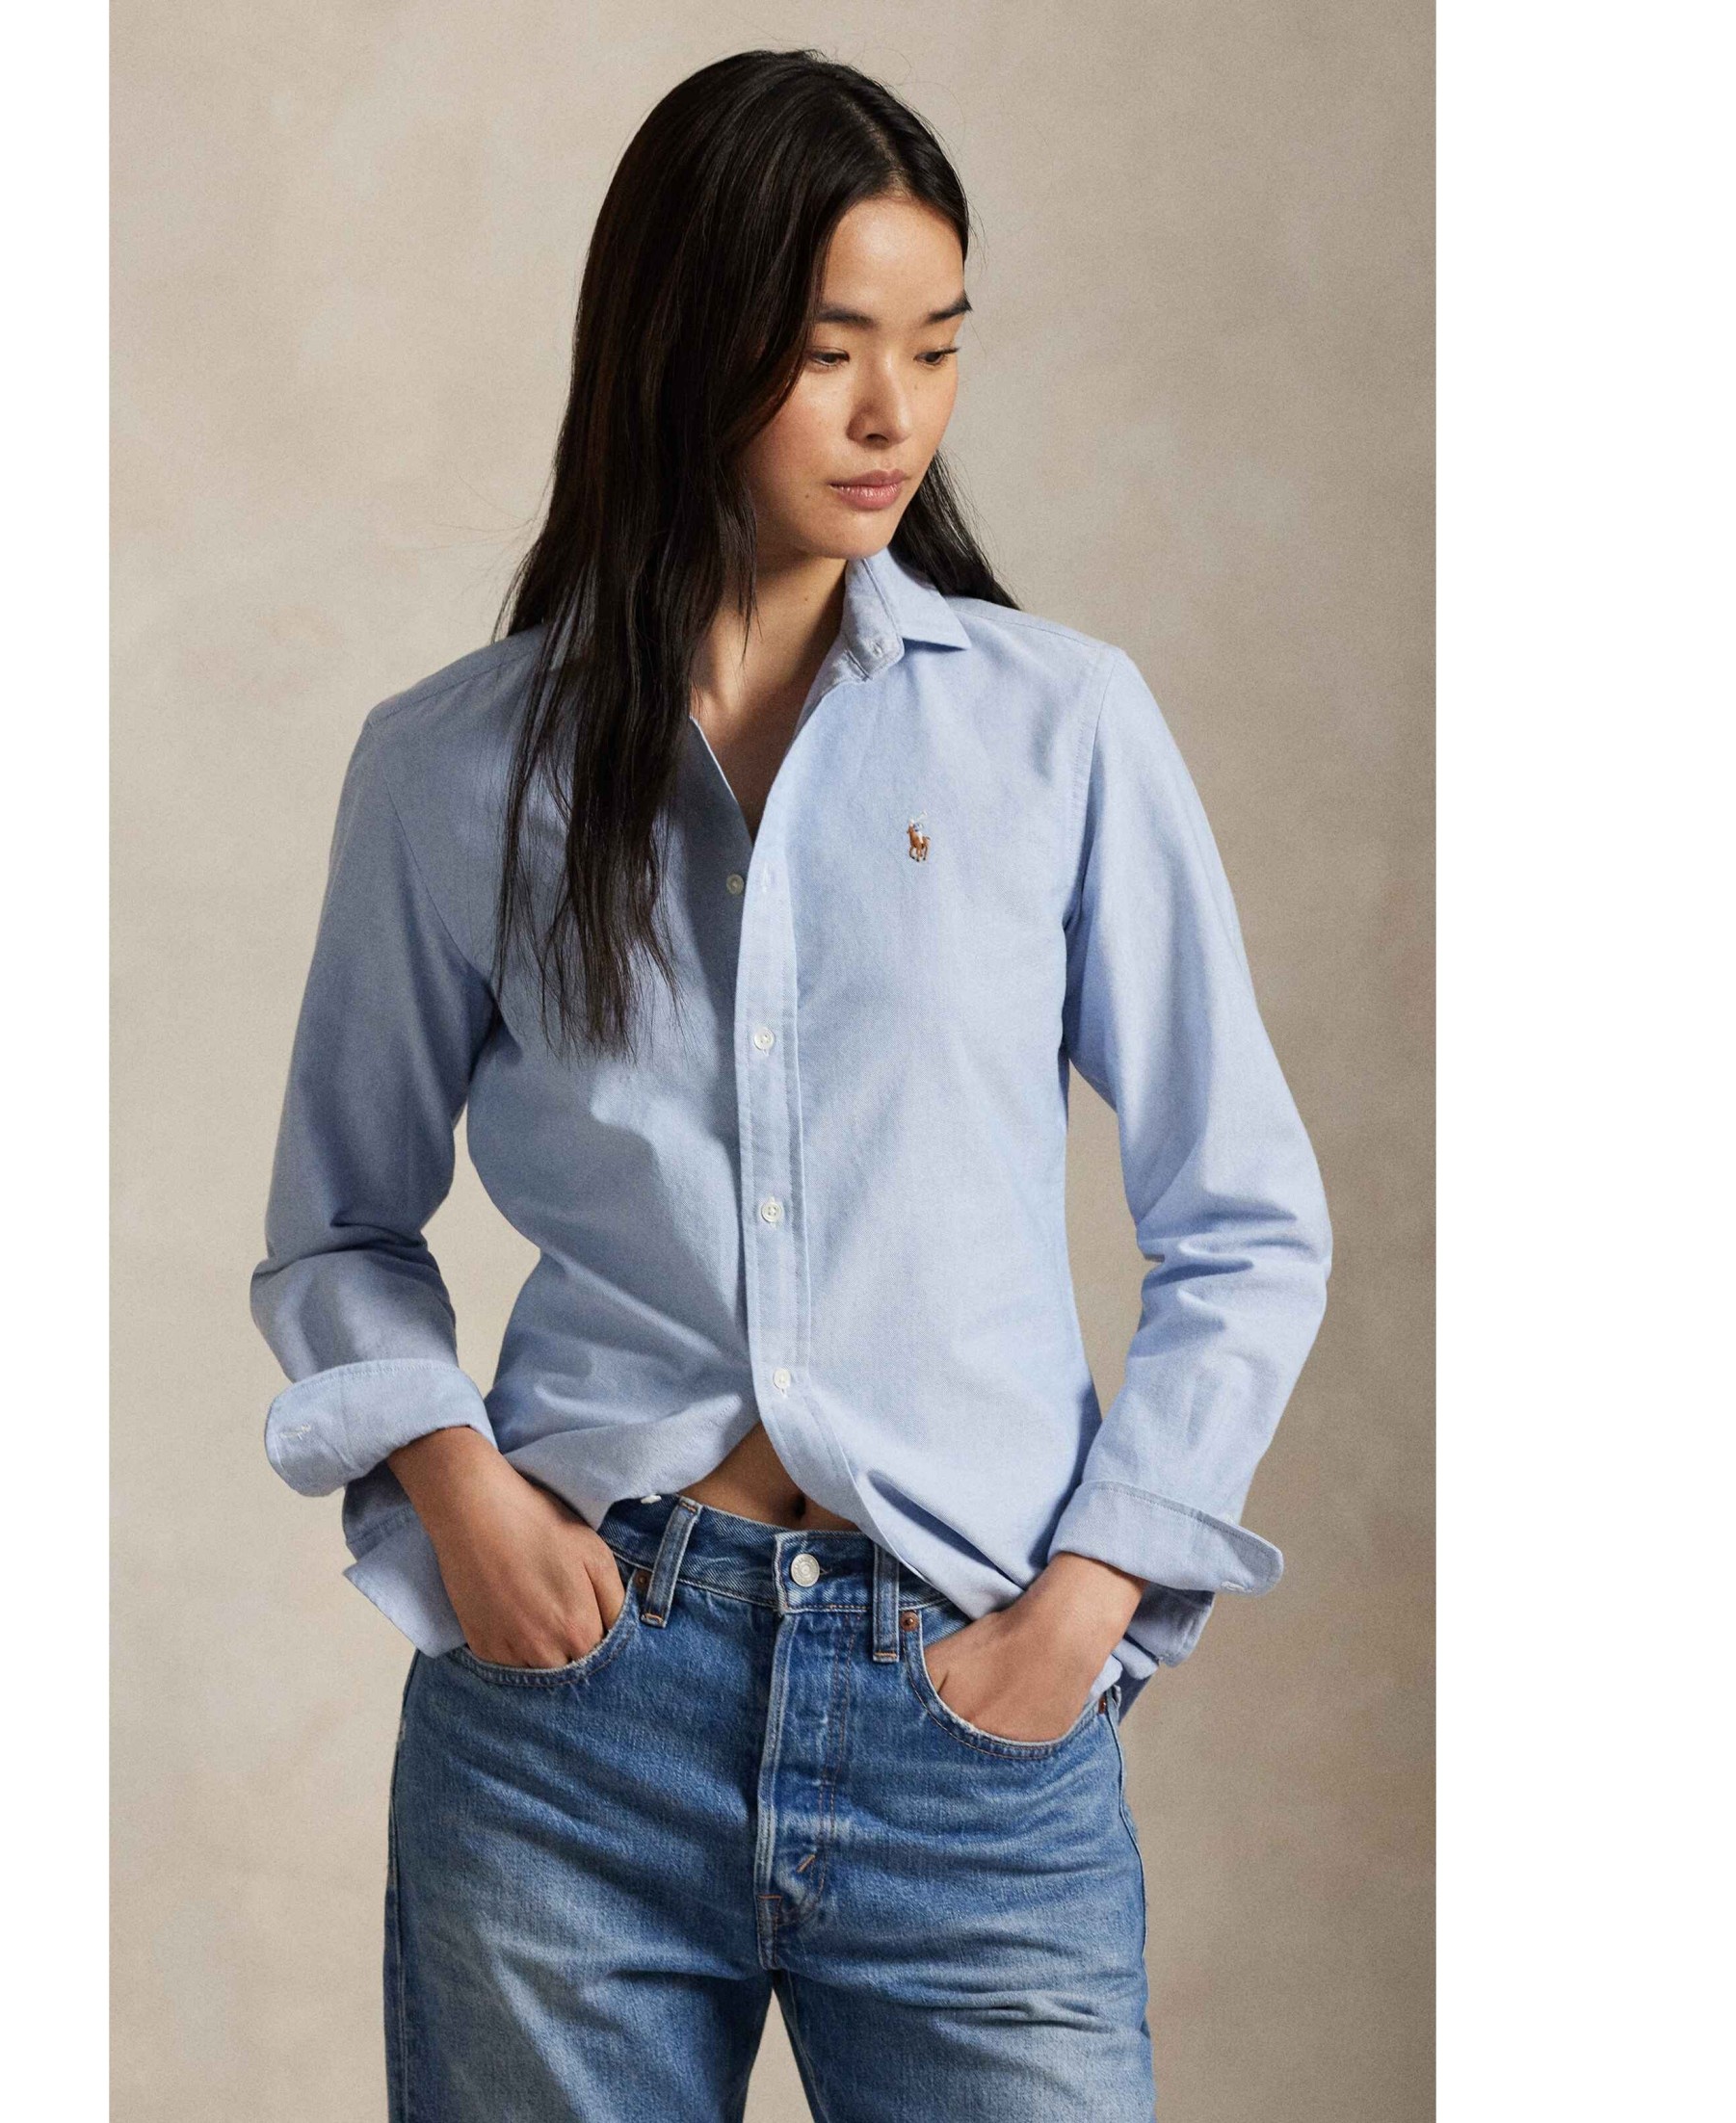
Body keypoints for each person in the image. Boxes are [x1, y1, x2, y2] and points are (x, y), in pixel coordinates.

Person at [250, 46, 1332, 2123]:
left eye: (935, 345)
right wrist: (459, 1493)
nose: (891, 413)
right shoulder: (453, 764)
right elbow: (336, 1229)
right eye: (830, 351)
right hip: (575, 1713)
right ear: (683, 345)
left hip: (969, 1701)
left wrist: (1089, 1597)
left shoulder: (1059, 730)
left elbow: (1247, 1219)